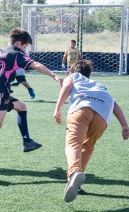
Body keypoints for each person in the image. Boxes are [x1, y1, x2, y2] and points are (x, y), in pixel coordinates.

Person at [0, 28, 63, 166]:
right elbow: (35, 64)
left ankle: (27, 141)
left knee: (21, 107)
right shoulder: (16, 54)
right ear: (18, 44)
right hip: (0, 92)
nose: (25, 50)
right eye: (25, 46)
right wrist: (55, 76)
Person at [53, 60, 129, 203]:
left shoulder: (73, 77)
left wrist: (57, 109)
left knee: (73, 144)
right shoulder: (98, 85)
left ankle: (75, 172)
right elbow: (113, 103)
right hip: (103, 114)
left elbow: (67, 85)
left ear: (71, 72)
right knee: (87, 146)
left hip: (82, 108)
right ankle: (76, 183)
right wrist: (124, 125)